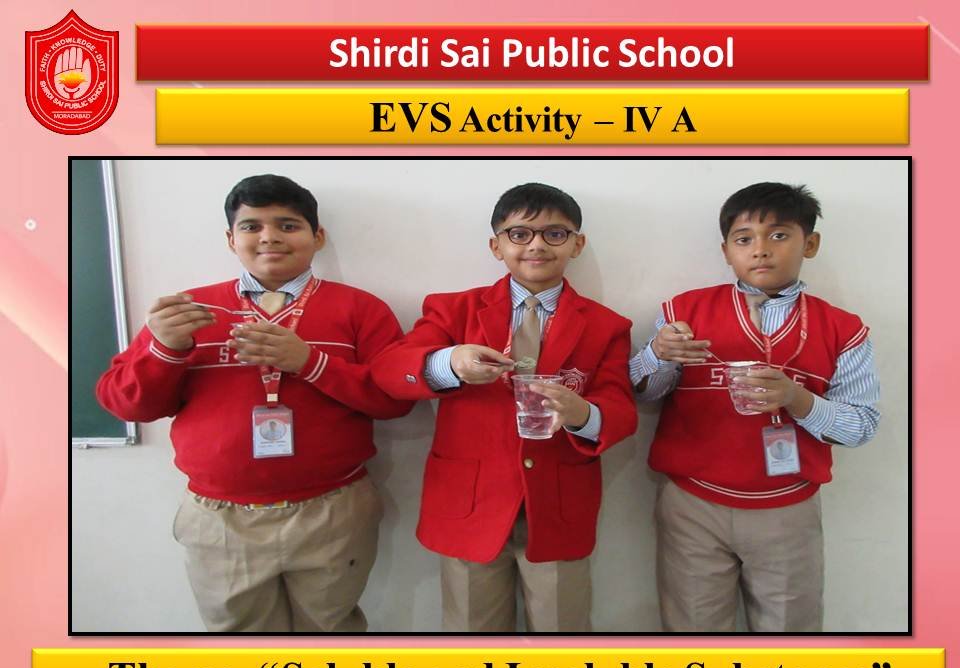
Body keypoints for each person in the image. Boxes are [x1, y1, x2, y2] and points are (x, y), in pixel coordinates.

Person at [97, 174, 413, 632]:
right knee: (240, 644)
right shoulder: (187, 311)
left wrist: (310, 363)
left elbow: (394, 401)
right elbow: (126, 405)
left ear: (318, 237)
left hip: (333, 509)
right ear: (231, 239)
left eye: (288, 225)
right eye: (251, 226)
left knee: (331, 633)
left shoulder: (361, 309)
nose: (269, 237)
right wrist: (164, 349)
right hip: (220, 518)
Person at [372, 182, 637, 632]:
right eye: (519, 234)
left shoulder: (606, 325)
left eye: (555, 233)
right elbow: (388, 371)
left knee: (562, 634)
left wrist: (581, 414)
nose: (536, 244)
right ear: (496, 246)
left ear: (577, 244)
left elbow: (621, 409)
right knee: (471, 633)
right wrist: (449, 362)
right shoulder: (454, 310)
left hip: (557, 506)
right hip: (470, 503)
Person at [632, 182, 881, 632]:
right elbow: (643, 392)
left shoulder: (843, 329)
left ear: (810, 244)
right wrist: (658, 354)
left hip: (788, 506)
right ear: (726, 252)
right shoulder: (683, 311)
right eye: (744, 238)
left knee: (790, 632)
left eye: (779, 235)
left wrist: (798, 400)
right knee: (693, 631)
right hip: (692, 502)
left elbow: (861, 425)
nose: (761, 249)